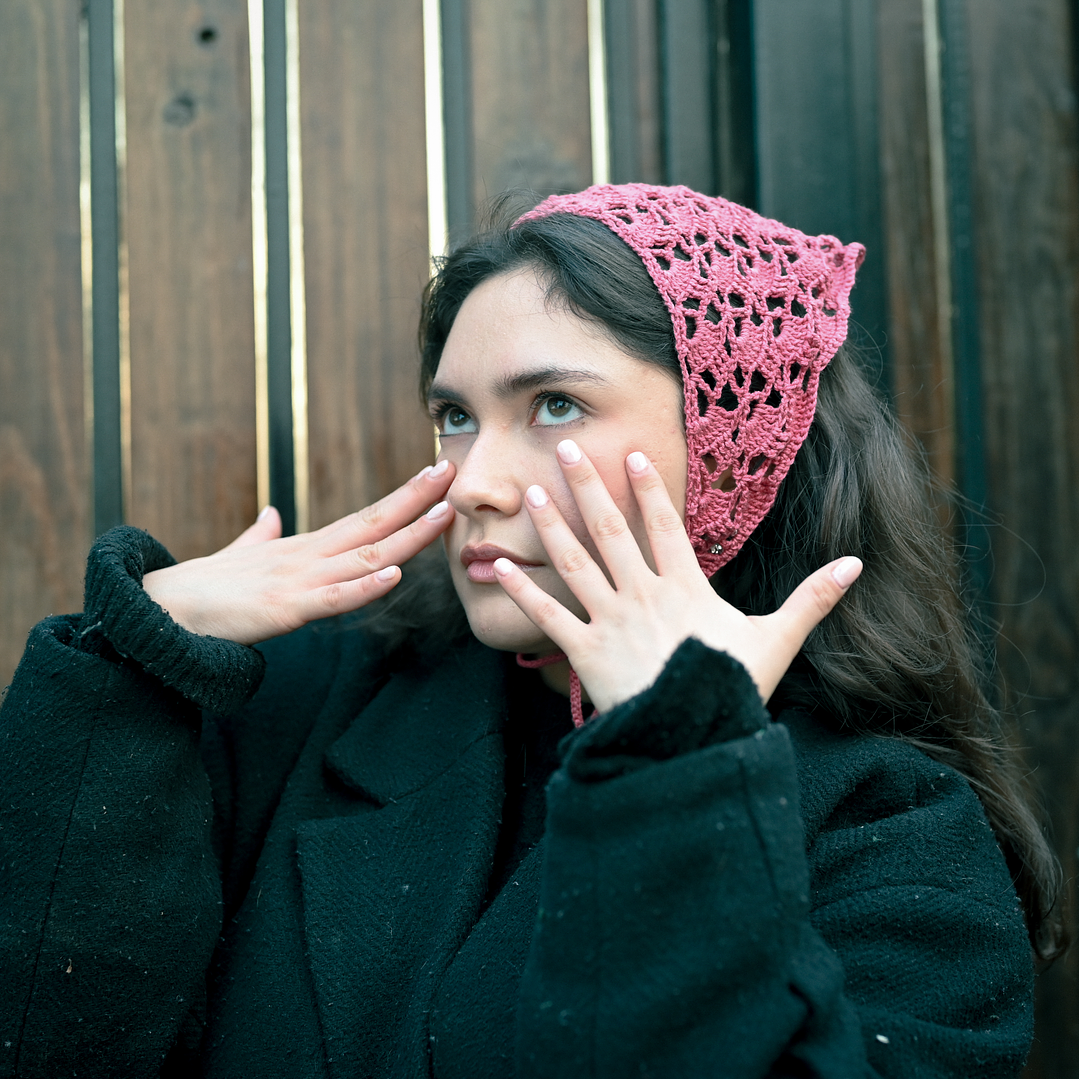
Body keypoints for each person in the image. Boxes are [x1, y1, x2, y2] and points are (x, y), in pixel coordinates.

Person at [0, 184, 1061, 1078]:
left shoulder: (894, 828)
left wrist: (676, 756)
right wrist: (133, 665)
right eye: (455, 414)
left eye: (553, 403)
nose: (472, 480)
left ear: (739, 443)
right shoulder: (299, 706)